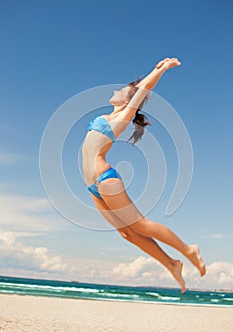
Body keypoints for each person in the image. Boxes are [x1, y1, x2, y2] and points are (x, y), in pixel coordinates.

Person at [82, 57, 206, 293]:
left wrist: (160, 69)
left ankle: (189, 250)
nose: (117, 91)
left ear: (129, 100)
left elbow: (144, 89)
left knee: (141, 225)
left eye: (123, 91)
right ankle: (172, 263)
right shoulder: (108, 116)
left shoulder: (122, 117)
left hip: (105, 179)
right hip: (92, 186)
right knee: (127, 233)